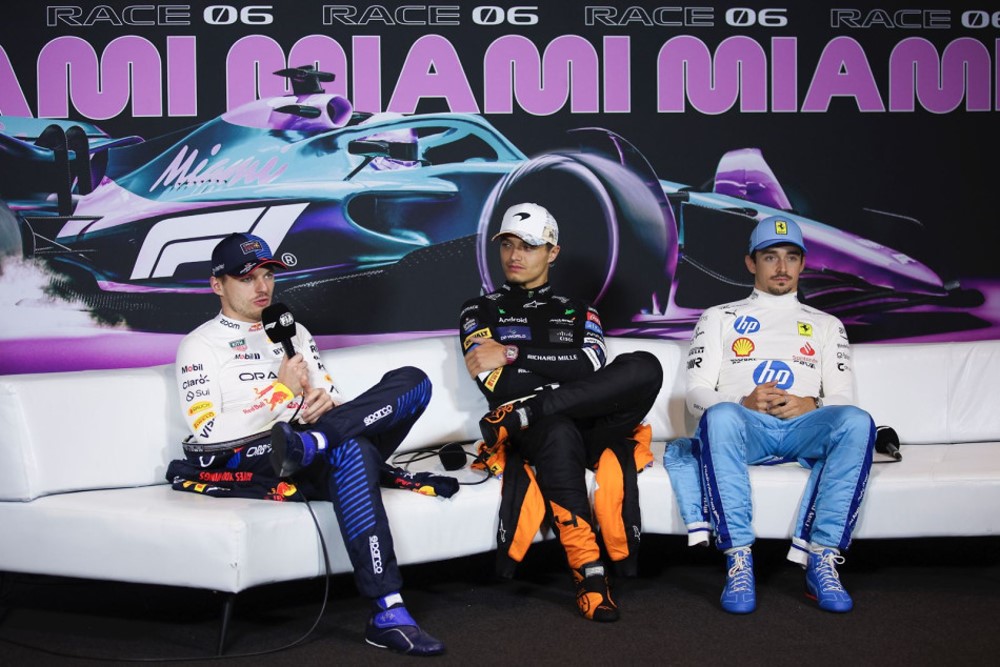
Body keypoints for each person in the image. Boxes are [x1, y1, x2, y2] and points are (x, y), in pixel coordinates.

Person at [168, 232, 452, 656]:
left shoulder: (293, 330)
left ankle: (319, 441)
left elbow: (331, 396)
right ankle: (388, 610)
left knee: (413, 380)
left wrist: (324, 403)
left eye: (268, 275)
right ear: (217, 284)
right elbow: (208, 433)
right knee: (352, 449)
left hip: (312, 441)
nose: (262, 287)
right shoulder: (199, 345)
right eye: (247, 279)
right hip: (259, 451)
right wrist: (280, 395)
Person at [460, 203, 663, 622]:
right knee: (555, 429)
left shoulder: (581, 309)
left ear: (552, 252)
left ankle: (534, 412)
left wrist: (514, 353)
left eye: (530, 246)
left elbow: (590, 364)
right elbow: (496, 382)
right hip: (540, 431)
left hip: (576, 420)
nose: (515, 255)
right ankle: (589, 574)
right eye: (508, 245)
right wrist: (557, 371)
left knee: (646, 366)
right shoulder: (478, 310)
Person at [664, 215, 875, 614]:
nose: (781, 267)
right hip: (746, 428)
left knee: (856, 422)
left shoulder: (827, 325)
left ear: (803, 264)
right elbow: (695, 396)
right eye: (770, 257)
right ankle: (739, 559)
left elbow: (844, 400)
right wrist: (741, 403)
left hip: (803, 428)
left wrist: (812, 405)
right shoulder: (718, 316)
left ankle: (823, 558)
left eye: (791, 257)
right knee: (721, 416)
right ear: (751, 263)